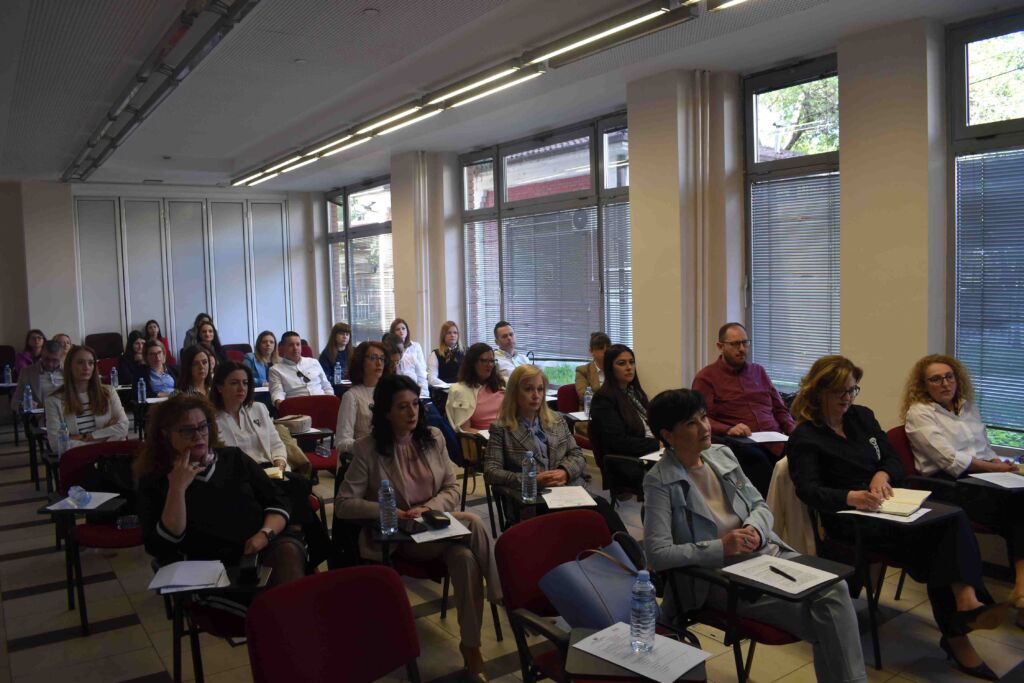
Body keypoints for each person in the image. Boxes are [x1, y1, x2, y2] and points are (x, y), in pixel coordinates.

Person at [788, 355, 1007, 680]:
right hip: (851, 518)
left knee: (951, 520)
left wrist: (882, 475)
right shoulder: (806, 436)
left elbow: (892, 459)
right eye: (840, 392)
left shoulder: (862, 417)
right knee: (942, 542)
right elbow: (808, 490)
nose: (848, 398)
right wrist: (851, 496)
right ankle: (962, 620)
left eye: (852, 390)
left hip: (887, 503)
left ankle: (965, 605)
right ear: (819, 392)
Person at [642, 388, 866, 683]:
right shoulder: (659, 481)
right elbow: (657, 554)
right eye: (691, 423)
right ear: (668, 435)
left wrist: (756, 530)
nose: (705, 427)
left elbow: (760, 505)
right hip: (720, 578)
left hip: (764, 557)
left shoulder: (721, 455)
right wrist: (721, 546)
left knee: (835, 589)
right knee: (829, 619)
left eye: (704, 417)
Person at [335, 374, 501, 680]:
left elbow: (451, 488)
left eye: (415, 404)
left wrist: (429, 508)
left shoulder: (433, 437)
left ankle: (471, 646)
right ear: (386, 412)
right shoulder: (367, 448)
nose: (412, 412)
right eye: (402, 407)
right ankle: (502, 595)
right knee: (475, 521)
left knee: (465, 559)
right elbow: (344, 504)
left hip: (436, 526)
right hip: (400, 537)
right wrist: (391, 511)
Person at [135, 394, 306, 610]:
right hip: (208, 568)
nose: (198, 436)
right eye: (187, 430)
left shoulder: (233, 458)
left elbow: (278, 501)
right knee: (277, 604)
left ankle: (280, 619)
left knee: (288, 552)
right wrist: (177, 488)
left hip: (258, 551)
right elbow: (163, 544)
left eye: (203, 427)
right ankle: (276, 620)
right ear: (165, 434)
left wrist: (264, 534)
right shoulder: (155, 479)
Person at [902, 354, 1024, 624]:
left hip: (981, 479)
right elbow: (949, 460)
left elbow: (983, 447)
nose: (945, 383)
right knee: (1018, 507)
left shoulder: (967, 407)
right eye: (936, 379)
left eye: (949, 377)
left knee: (1021, 503)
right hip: (947, 484)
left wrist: (998, 462)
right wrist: (992, 469)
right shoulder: (920, 412)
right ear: (924, 385)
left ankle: (1021, 588)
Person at [484, 364, 626, 534]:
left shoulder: (557, 420)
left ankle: (628, 550)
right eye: (528, 389)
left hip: (567, 490)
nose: (536, 395)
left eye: (540, 389)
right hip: (533, 499)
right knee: (581, 524)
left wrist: (565, 472)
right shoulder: (501, 428)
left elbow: (577, 454)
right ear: (514, 392)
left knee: (603, 512)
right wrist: (532, 480)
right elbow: (491, 472)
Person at [691, 322, 794, 496]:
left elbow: (780, 409)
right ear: (720, 346)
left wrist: (794, 430)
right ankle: (766, 509)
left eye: (745, 343)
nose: (741, 349)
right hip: (741, 442)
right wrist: (728, 429)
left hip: (775, 438)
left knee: (804, 455)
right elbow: (700, 418)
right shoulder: (706, 378)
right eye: (735, 344)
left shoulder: (758, 371)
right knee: (759, 464)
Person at [45, 345, 129, 453]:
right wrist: (103, 437)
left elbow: (123, 426)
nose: (86, 367)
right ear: (69, 366)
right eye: (80, 362)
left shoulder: (109, 392)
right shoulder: (53, 400)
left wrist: (86, 437)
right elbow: (57, 443)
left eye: (91, 363)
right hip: (78, 457)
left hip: (109, 455)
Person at [213, 361, 289, 473]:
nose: (241, 388)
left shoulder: (259, 408)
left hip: (271, 469)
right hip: (240, 476)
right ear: (220, 387)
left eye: (245, 383)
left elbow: (276, 444)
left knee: (301, 481)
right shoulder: (211, 419)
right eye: (234, 383)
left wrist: (280, 465)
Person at [335, 341, 390, 454]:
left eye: (382, 358)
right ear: (361, 362)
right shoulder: (351, 396)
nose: (379, 363)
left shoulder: (390, 392)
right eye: (373, 358)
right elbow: (341, 442)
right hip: (364, 458)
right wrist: (369, 445)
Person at [446, 342, 505, 433]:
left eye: (492, 361)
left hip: (510, 433)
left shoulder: (503, 383)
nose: (489, 365)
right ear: (472, 363)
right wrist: (494, 437)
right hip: (485, 437)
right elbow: (464, 430)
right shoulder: (460, 390)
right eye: (484, 361)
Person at [268, 331, 332, 407]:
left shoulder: (314, 362)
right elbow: (277, 393)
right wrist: (280, 403)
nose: (295, 348)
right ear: (283, 348)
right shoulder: (275, 370)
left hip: (322, 404)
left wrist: (330, 401)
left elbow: (326, 386)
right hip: (297, 407)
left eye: (298, 344)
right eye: (291, 345)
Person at [13, 340, 64, 408]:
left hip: (66, 411)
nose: (50, 364)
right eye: (46, 359)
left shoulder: (70, 371)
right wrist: (24, 404)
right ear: (41, 354)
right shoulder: (27, 372)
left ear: (62, 357)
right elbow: (15, 402)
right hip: (41, 412)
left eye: (55, 360)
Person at [575, 332, 609, 402]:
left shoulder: (615, 369)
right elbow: (584, 396)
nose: (606, 351)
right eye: (601, 348)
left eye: (608, 347)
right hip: (592, 408)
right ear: (591, 351)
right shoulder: (583, 371)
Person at [428, 321, 464, 386]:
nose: (452, 335)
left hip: (463, 389)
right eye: (449, 333)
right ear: (443, 335)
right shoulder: (435, 354)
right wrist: (449, 386)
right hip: (444, 389)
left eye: (455, 333)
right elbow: (432, 378)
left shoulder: (465, 352)